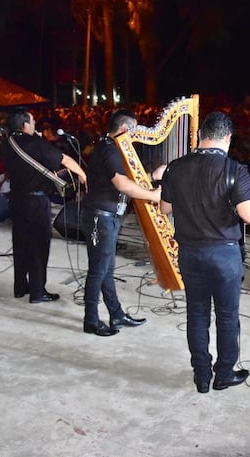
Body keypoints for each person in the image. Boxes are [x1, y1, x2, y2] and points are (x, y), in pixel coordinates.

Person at [160, 112, 250, 394]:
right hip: (223, 255)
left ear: (201, 135)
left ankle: (202, 375)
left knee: (197, 314)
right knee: (227, 316)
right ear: (228, 137)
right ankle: (224, 374)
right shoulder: (233, 169)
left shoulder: (176, 167)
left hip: (190, 253)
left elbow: (165, 209)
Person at [80, 109, 166, 337]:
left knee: (106, 269)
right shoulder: (109, 149)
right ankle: (91, 320)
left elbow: (128, 179)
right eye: (135, 130)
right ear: (125, 129)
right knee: (98, 270)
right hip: (101, 216)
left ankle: (116, 313)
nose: (136, 135)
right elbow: (122, 184)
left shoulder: (112, 149)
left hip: (109, 216)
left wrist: (151, 176)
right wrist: (153, 195)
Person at [1, 107, 87, 303]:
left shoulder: (7, 143)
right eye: (32, 122)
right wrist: (83, 174)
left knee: (21, 243)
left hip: (17, 198)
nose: (34, 125)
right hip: (35, 201)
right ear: (25, 124)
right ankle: (38, 291)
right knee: (39, 246)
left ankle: (20, 286)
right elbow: (63, 159)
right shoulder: (35, 143)